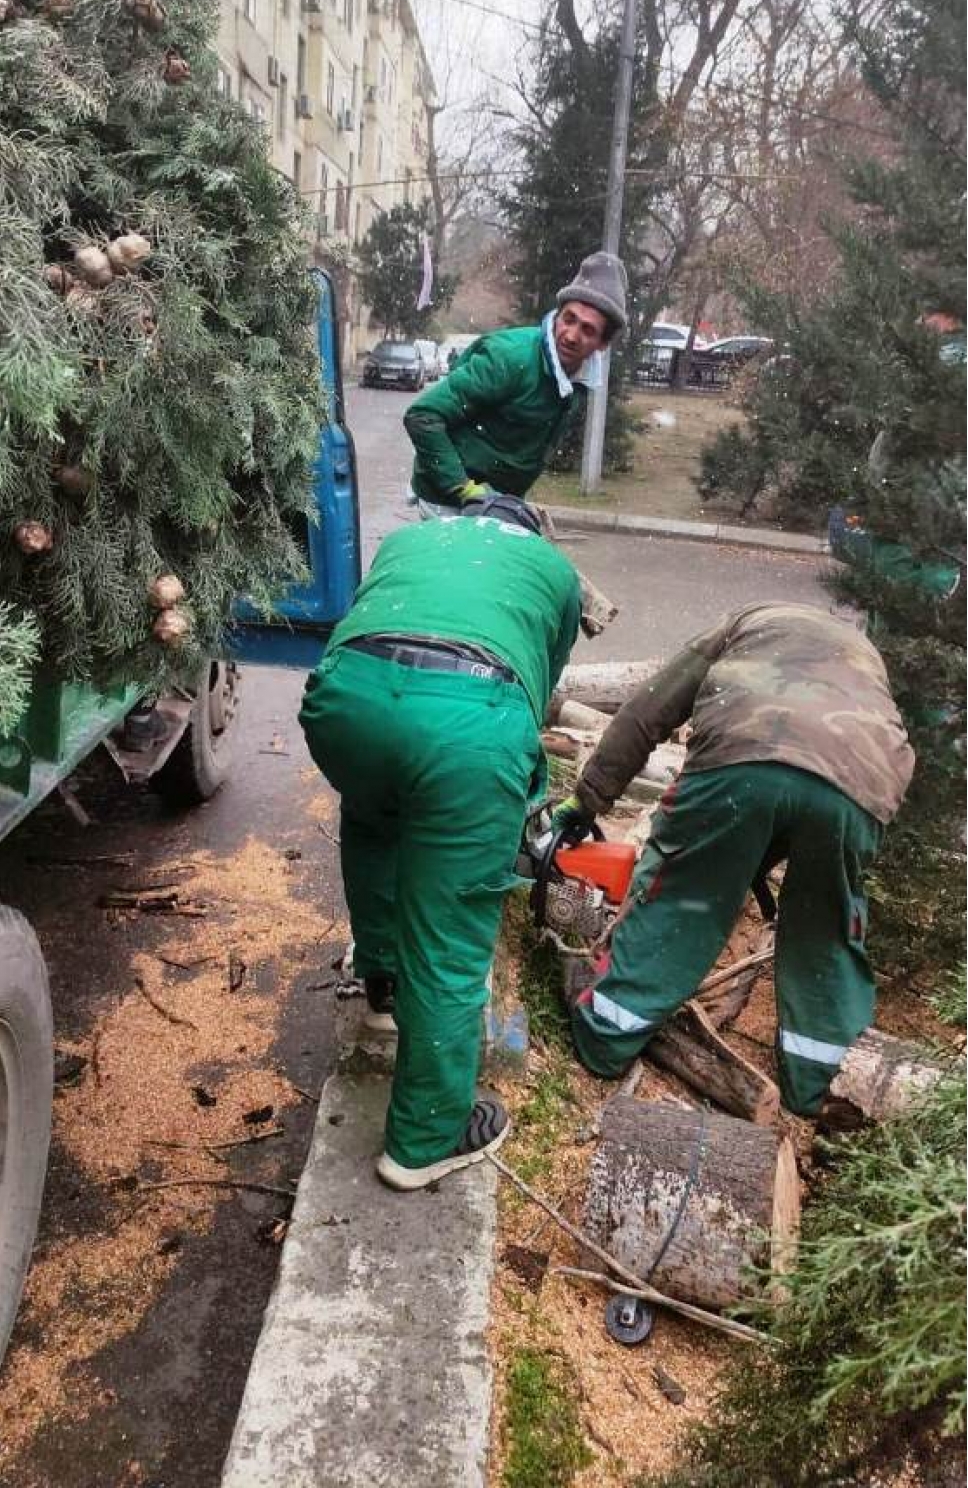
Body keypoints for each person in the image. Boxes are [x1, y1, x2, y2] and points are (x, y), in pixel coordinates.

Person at [300, 495, 582, 1190]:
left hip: (347, 703)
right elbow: (540, 681)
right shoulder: (553, 569)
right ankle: (427, 1136)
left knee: (374, 828)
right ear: (530, 533)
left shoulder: (411, 540)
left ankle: (384, 989)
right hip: (467, 720)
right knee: (450, 927)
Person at [553, 602, 915, 1115]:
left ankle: (606, 1036)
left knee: (683, 901)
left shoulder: (746, 622)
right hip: (859, 791)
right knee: (826, 935)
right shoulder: (866, 661)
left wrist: (588, 799)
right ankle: (824, 1089)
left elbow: (646, 712)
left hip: (741, 761)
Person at [403, 251, 627, 512]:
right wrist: (464, 489)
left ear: (603, 344)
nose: (571, 336)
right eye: (569, 319)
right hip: (445, 499)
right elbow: (423, 416)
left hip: (495, 502)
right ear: (558, 315)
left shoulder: (579, 381)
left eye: (588, 329)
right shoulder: (510, 358)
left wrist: (511, 503)